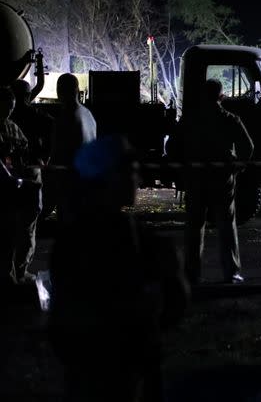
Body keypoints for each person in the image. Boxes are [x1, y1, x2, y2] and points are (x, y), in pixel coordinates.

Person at [49, 136, 189, 402]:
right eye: (129, 171)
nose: (136, 180)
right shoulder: (134, 239)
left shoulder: (71, 238)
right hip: (123, 364)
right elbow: (173, 302)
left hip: (88, 366)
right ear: (107, 178)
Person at [169, 79, 254, 284]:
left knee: (194, 226)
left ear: (202, 95)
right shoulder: (229, 118)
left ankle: (192, 273)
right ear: (220, 96)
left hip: (196, 178)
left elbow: (171, 146)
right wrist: (237, 166)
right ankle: (231, 272)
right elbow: (248, 146)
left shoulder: (189, 119)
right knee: (226, 225)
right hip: (222, 178)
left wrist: (183, 167)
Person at [0, 86, 41, 286]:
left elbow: (24, 149)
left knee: (17, 233)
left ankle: (17, 273)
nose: (8, 112)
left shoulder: (11, 127)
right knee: (6, 236)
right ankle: (9, 278)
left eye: (10, 108)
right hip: (5, 186)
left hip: (13, 185)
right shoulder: (7, 127)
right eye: (6, 108)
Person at [50, 73, 96, 225]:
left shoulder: (66, 117)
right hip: (88, 181)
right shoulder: (88, 114)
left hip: (71, 184)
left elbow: (59, 154)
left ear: (59, 91)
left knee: (70, 233)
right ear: (77, 90)